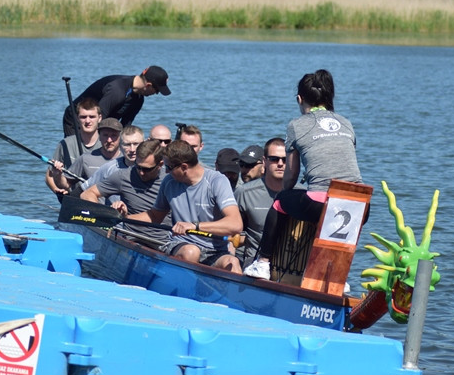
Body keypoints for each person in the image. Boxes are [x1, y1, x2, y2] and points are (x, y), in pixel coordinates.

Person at [244, 70, 362, 280]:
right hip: (360, 204)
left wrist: (288, 194)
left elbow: (290, 176)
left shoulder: (296, 125)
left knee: (280, 201)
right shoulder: (346, 122)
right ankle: (337, 279)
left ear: (300, 99)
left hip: (322, 203)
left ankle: (262, 263)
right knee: (335, 209)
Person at [127, 140, 243, 273]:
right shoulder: (169, 182)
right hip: (182, 244)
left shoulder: (217, 181)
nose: (166, 171)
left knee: (232, 263)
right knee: (191, 251)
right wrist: (123, 217)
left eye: (169, 167)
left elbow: (236, 224)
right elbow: (154, 216)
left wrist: (195, 226)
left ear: (183, 167)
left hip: (215, 250)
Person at [82, 139, 171, 243]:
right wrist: (107, 215)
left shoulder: (170, 179)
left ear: (160, 164)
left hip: (162, 241)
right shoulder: (123, 176)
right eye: (138, 167)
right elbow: (87, 194)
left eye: (147, 169)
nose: (141, 173)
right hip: (131, 238)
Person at [62, 67, 171, 136]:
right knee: (79, 154)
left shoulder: (138, 100)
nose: (156, 94)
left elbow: (125, 127)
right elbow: (97, 120)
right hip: (77, 119)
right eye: (157, 90)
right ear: (148, 85)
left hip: (99, 121)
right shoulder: (117, 90)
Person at [234, 139, 289, 268]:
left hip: (290, 267)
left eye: (285, 160)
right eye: (274, 159)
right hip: (254, 265)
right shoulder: (244, 193)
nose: (280, 164)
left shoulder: (301, 194)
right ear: (265, 161)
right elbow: (231, 235)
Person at [47, 118, 123, 196]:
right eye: (105, 135)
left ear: (120, 137)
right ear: (99, 137)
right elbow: (65, 184)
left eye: (114, 135)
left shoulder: (127, 160)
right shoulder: (85, 159)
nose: (109, 140)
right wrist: (58, 175)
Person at [80, 125, 144, 202]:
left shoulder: (154, 168)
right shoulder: (109, 168)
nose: (132, 149)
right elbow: (83, 191)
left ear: (144, 144)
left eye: (136, 144)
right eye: (127, 145)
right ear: (120, 145)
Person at [50, 98, 102, 170]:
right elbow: (49, 177)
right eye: (83, 117)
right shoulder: (65, 144)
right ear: (77, 118)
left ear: (99, 118)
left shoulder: (106, 144)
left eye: (92, 117)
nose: (87, 121)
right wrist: (57, 175)